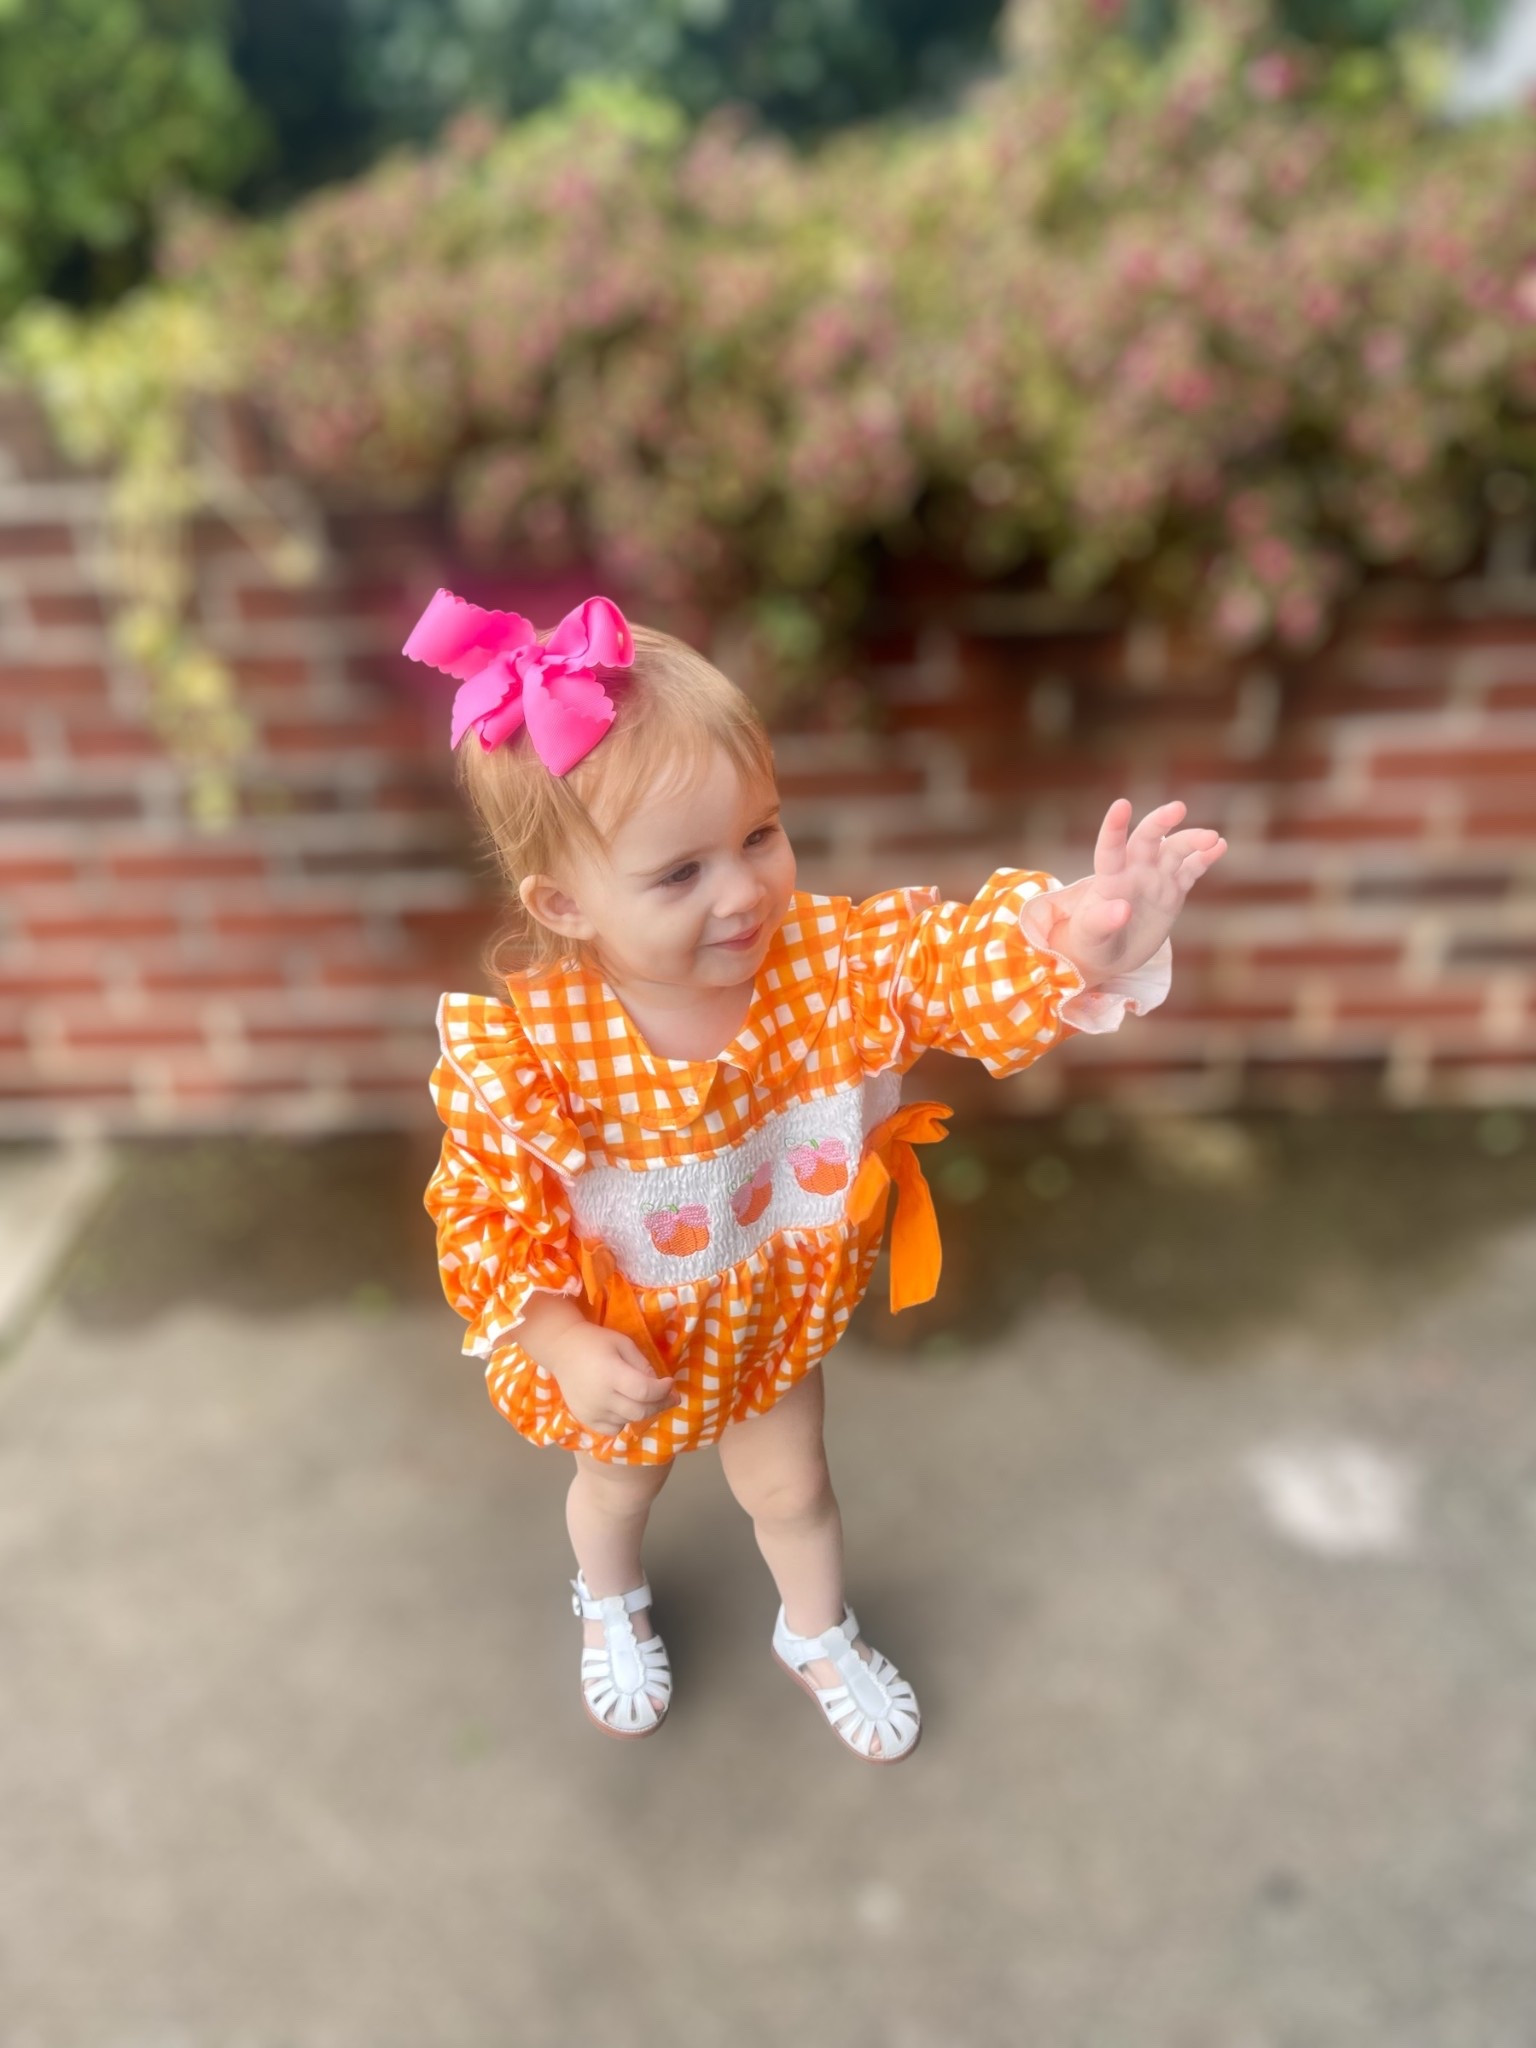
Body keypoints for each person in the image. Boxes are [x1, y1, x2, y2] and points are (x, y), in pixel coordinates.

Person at [414, 589, 1226, 1763]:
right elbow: (483, 1215)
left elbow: (945, 962)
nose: (742, 891)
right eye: (678, 873)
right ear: (563, 904)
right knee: (616, 1493)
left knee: (794, 1491)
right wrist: (556, 1340)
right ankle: (609, 1597)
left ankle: (816, 1626)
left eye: (760, 834)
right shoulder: (536, 1054)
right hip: (629, 1341)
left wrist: (1073, 940)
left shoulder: (832, 966)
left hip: (766, 1321)